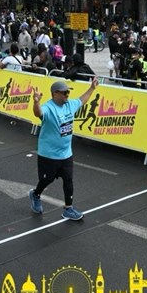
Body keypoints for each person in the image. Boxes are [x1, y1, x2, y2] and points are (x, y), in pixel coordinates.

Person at [28, 78, 100, 221]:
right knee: (47, 179)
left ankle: (68, 208)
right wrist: (36, 102)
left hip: (66, 154)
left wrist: (92, 88)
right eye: (64, 93)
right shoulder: (49, 108)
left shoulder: (69, 104)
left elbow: (82, 100)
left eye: (68, 92)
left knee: (68, 180)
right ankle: (35, 194)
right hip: (48, 155)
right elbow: (38, 113)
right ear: (55, 94)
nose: (67, 95)